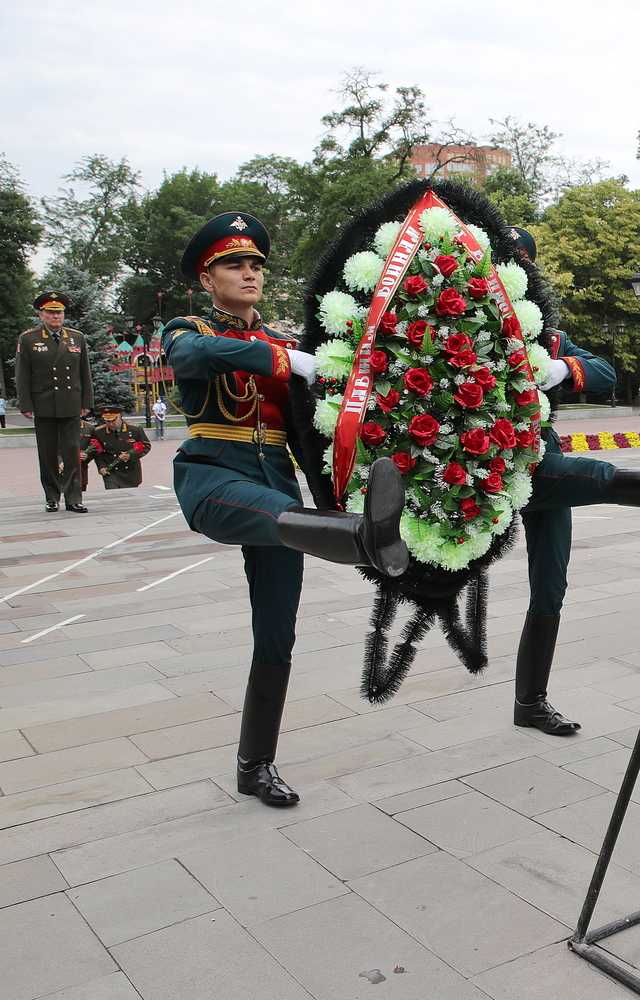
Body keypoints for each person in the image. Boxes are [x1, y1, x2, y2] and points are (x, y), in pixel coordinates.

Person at [166, 212, 412, 808]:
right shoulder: (188, 326)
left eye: (254, 265)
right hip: (214, 474)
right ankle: (362, 537)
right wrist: (284, 361)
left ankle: (256, 765)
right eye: (233, 265)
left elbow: (309, 432)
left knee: (277, 636)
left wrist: (338, 485)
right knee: (276, 514)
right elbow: (194, 357)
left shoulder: (281, 339)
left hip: (276, 478)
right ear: (208, 278)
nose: (248, 273)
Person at [504, 227, 640, 737]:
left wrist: (557, 369)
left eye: (521, 265)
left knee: (550, 586)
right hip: (479, 463)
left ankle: (529, 702)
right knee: (593, 476)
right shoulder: (461, 323)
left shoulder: (547, 335)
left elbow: (603, 371)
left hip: (537, 454)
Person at [15, 291, 92, 513]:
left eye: (59, 313)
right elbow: (23, 375)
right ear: (41, 314)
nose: (56, 317)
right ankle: (51, 496)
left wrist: (86, 400)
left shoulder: (76, 337)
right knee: (47, 454)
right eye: (50, 312)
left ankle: (74, 498)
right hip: (44, 404)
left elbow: (84, 372)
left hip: (70, 403)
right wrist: (26, 404)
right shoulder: (29, 339)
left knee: (71, 452)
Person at [84, 399, 151, 488]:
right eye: (107, 421)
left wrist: (131, 455)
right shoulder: (99, 432)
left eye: (113, 420)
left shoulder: (135, 429)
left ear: (119, 416)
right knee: (113, 494)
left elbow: (145, 446)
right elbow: (97, 452)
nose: (110, 424)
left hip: (130, 473)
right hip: (111, 472)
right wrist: (101, 466)